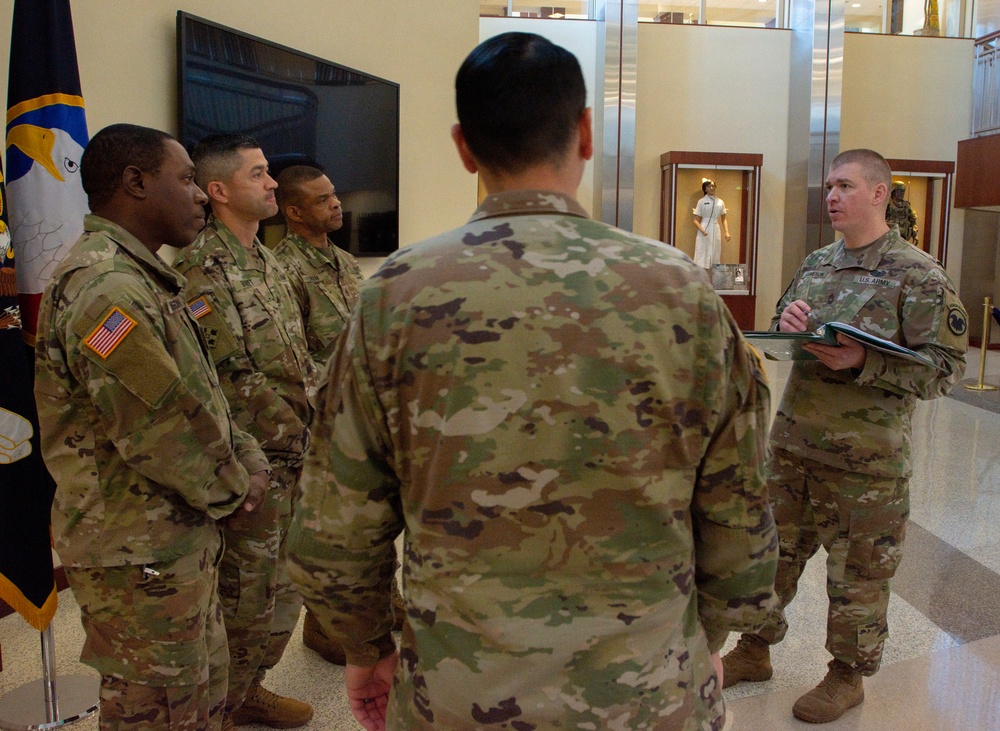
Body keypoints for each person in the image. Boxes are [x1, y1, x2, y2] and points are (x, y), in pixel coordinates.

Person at [288, 32, 778, 731]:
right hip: (646, 690)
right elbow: (740, 505)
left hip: (456, 697)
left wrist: (369, 647)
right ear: (583, 132)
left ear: (464, 147)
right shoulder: (681, 291)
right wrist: (709, 637)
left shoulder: (393, 295)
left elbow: (333, 530)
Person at [34, 123, 270, 730]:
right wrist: (235, 487)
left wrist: (248, 457)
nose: (199, 195)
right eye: (187, 179)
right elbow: (160, 427)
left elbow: (202, 393)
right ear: (136, 183)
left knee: (200, 699)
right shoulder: (106, 290)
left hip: (172, 538)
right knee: (159, 712)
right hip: (137, 548)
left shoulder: (145, 279)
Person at [722, 149, 968, 724]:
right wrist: (788, 322)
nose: (831, 196)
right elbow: (786, 319)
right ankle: (753, 649)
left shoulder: (919, 276)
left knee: (858, 572)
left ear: (879, 194)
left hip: (867, 462)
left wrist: (863, 362)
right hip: (793, 447)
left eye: (845, 186)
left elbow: (945, 371)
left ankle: (846, 676)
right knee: (770, 557)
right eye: (829, 186)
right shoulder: (816, 264)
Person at [172, 134, 317, 730]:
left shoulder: (271, 260)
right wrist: (301, 426)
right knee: (244, 595)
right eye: (259, 174)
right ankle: (224, 706)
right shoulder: (199, 268)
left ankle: (249, 689)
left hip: (297, 454)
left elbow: (295, 356)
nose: (273, 183)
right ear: (219, 190)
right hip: (252, 464)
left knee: (286, 591)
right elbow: (225, 378)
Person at [272, 165, 407, 665]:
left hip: (359, 409)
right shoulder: (283, 269)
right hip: (319, 413)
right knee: (330, 526)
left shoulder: (345, 262)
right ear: (294, 212)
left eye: (335, 195)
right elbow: (290, 351)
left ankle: (386, 599)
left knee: (373, 512)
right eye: (324, 199)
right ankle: (322, 627)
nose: (337, 205)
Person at [693, 179, 729, 270]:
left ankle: (714, 275)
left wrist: (727, 232)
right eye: (709, 186)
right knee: (702, 251)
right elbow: (695, 220)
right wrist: (702, 230)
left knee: (715, 250)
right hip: (704, 227)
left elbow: (724, 218)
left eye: (713, 186)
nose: (711, 188)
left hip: (715, 227)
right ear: (705, 189)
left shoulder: (720, 202)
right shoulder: (701, 201)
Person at [885, 181, 918, 245]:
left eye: (903, 191)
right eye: (899, 191)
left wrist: (915, 235)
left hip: (903, 238)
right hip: (889, 238)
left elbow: (913, 222)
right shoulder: (887, 204)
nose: (902, 193)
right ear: (893, 191)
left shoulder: (906, 206)